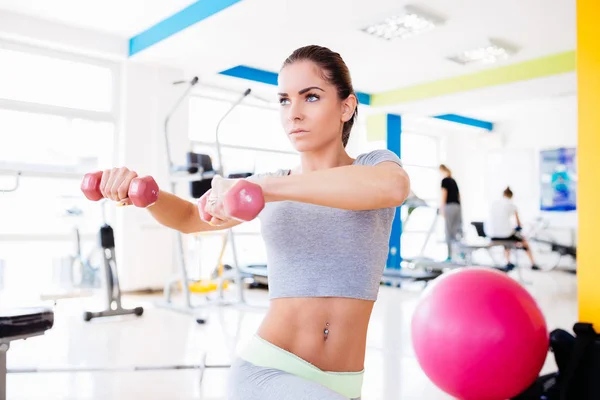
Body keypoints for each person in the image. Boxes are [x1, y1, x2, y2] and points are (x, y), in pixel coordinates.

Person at [96, 45, 410, 400]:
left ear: (346, 106)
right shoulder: (263, 184)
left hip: (346, 383)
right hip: (269, 373)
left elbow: (393, 187)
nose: (293, 114)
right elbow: (188, 217)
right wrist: (145, 194)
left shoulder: (372, 165)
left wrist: (262, 187)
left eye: (310, 97)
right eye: (283, 100)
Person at [487, 187, 538, 270]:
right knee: (523, 241)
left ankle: (508, 262)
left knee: (507, 241)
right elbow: (518, 223)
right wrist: (519, 227)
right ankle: (533, 263)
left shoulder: (494, 204)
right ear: (511, 196)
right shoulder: (512, 205)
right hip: (506, 235)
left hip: (492, 234)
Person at [439, 164, 462, 261]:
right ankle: (460, 254)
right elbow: (459, 195)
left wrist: (442, 208)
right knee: (456, 231)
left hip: (449, 207)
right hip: (457, 206)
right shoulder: (453, 181)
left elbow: (444, 194)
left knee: (448, 232)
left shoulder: (444, 181)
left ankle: (449, 256)